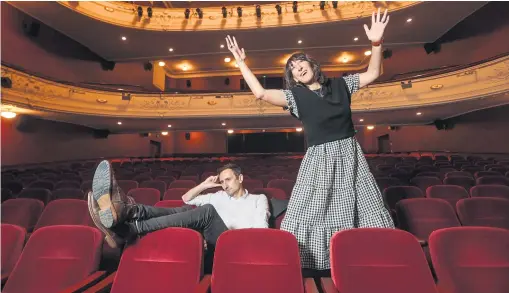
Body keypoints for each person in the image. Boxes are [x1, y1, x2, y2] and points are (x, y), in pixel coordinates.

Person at [225, 8, 394, 270]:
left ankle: (364, 260)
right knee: (310, 211)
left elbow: (373, 73)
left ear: (313, 64)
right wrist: (241, 63)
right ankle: (315, 264)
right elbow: (260, 93)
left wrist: (376, 42)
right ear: (292, 78)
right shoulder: (295, 98)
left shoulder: (342, 85)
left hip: (350, 155)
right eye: (292, 68)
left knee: (364, 206)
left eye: (300, 62)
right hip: (319, 159)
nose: (297, 67)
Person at [88, 161, 270, 250]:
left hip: (234, 246)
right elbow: (186, 199)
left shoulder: (258, 199)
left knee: (206, 211)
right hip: (211, 239)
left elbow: (262, 231)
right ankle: (129, 212)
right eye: (222, 181)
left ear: (240, 178)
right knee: (186, 210)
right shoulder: (218, 195)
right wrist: (204, 185)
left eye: (228, 179)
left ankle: (130, 229)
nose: (224, 184)